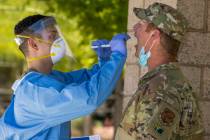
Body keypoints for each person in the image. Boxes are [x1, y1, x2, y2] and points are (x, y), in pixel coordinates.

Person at [0, 14, 129, 140]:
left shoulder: (48, 79)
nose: (59, 41)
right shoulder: (36, 93)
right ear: (33, 44)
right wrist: (117, 56)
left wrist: (105, 61)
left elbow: (87, 78)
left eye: (57, 35)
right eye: (52, 36)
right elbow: (89, 97)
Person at [115, 3, 204, 140]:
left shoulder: (160, 91)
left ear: (154, 35)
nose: (134, 28)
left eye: (142, 23)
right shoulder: (168, 83)